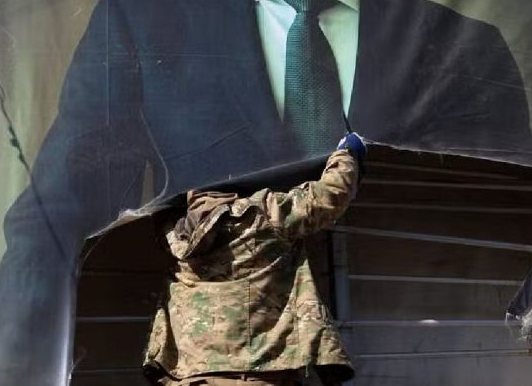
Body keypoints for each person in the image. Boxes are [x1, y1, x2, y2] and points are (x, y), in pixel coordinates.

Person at [0, 0, 532, 384]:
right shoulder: (143, 23)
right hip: (226, 358)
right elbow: (52, 217)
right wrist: (17, 375)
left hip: (420, 355)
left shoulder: (460, 44)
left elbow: (521, 215)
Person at [144, 133, 366, 386]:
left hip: (190, 375)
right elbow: (331, 194)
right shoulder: (265, 213)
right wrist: (348, 152)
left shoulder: (174, 231)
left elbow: (157, 199)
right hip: (258, 372)